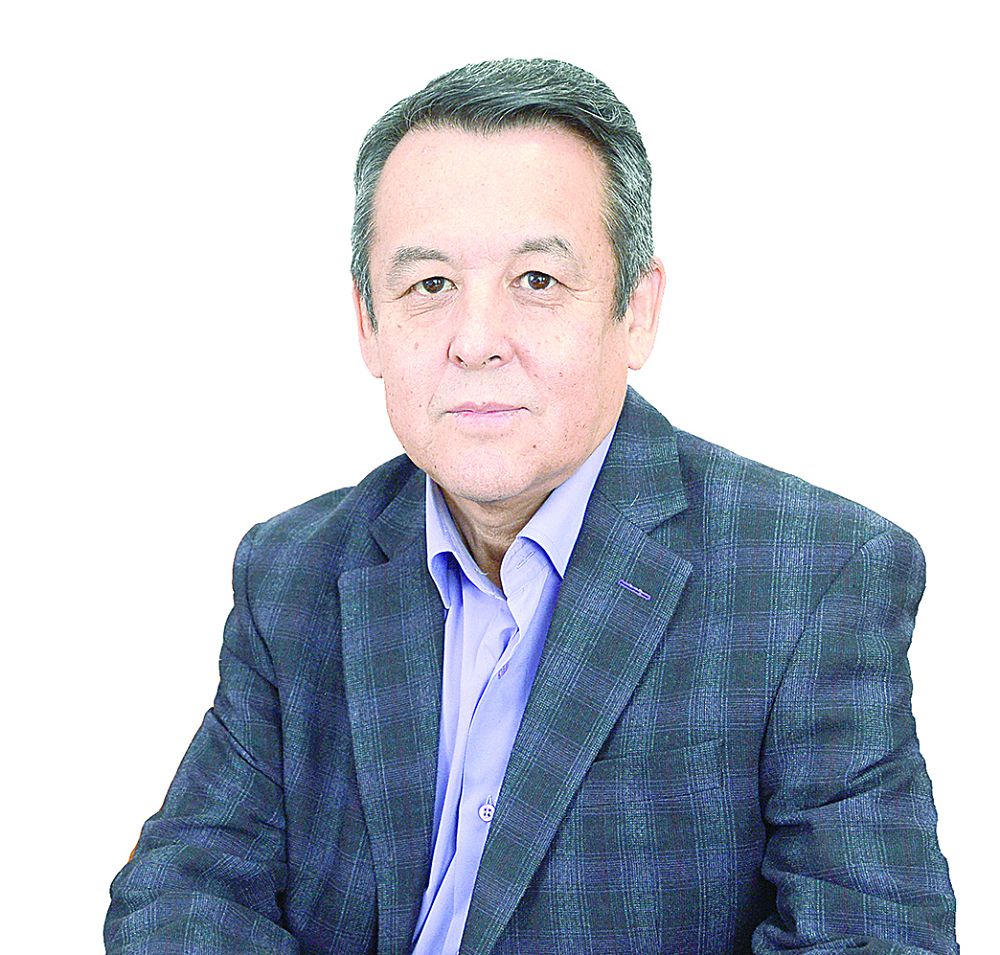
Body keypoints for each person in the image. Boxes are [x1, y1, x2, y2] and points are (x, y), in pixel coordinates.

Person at [105, 58, 958, 954]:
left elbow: (873, 939)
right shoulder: (292, 571)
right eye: (430, 286)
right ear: (368, 322)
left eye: (537, 281)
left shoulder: (814, 579)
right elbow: (179, 892)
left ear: (637, 310)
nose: (476, 341)